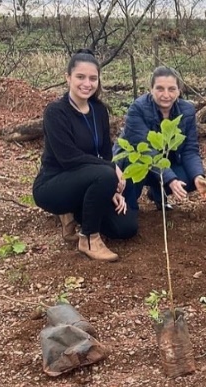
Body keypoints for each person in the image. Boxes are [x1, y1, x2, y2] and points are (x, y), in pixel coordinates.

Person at [33, 49, 137, 262]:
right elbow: (68, 158)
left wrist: (109, 188)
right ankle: (89, 238)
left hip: (90, 180)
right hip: (54, 184)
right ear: (68, 77)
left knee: (126, 228)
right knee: (106, 174)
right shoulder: (56, 112)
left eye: (93, 78)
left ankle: (76, 213)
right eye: (80, 77)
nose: (86, 83)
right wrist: (110, 171)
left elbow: (106, 153)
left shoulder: (99, 110)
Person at [114, 66, 206, 211]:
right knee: (126, 223)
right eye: (160, 89)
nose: (166, 94)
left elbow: (190, 150)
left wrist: (198, 176)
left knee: (190, 178)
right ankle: (129, 206)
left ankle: (157, 191)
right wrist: (170, 179)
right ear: (151, 89)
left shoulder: (187, 111)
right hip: (137, 162)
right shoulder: (137, 109)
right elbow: (147, 151)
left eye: (172, 89)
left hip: (166, 163)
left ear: (179, 90)